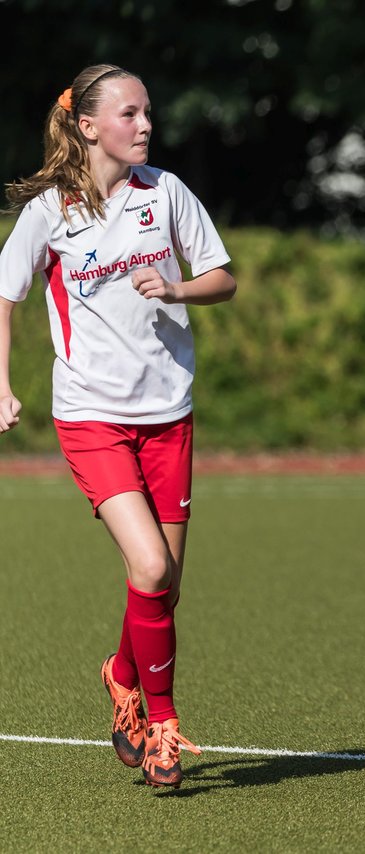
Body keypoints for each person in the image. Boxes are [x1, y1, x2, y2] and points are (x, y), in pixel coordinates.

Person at [0, 65, 236, 788]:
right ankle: (160, 722)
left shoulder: (165, 192)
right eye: (130, 114)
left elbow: (223, 276)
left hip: (170, 415)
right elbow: (3, 297)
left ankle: (120, 672)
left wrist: (177, 285)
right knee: (153, 568)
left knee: (163, 586)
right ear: (89, 124)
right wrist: (1, 383)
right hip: (92, 417)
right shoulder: (49, 210)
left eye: (148, 113)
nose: (145, 126)